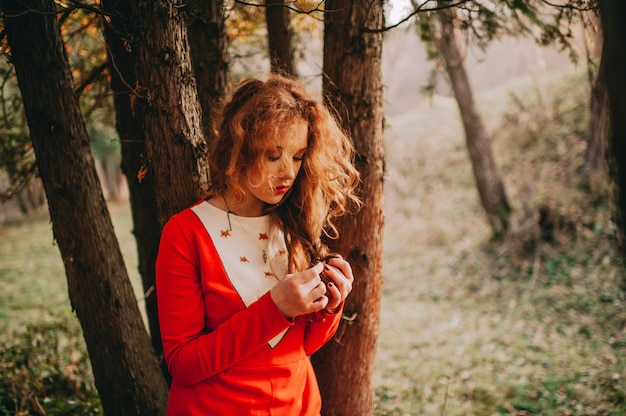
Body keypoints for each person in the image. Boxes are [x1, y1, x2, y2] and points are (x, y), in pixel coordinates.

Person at [155, 74, 361, 415]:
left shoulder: (294, 221)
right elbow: (183, 364)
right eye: (272, 155)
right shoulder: (185, 233)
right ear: (238, 149)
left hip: (298, 405)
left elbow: (301, 346)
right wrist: (274, 309)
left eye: (297, 156)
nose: (287, 173)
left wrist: (330, 305)